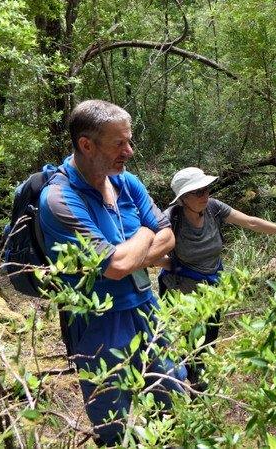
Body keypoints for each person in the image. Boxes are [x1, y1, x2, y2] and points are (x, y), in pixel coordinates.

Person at [39, 100, 186, 445]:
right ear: (86, 145)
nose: (129, 151)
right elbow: (118, 265)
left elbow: (170, 237)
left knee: (173, 394)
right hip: (97, 323)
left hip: (146, 308)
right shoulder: (59, 199)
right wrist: (146, 234)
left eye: (129, 140)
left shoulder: (127, 183)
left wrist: (135, 251)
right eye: (119, 143)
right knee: (113, 423)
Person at [156, 166, 276, 384]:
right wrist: (172, 265)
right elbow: (149, 252)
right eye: (198, 192)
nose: (205, 195)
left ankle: (199, 386)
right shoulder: (170, 219)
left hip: (213, 290)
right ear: (183, 198)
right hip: (181, 295)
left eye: (207, 189)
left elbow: (250, 221)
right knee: (184, 343)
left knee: (207, 342)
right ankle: (183, 388)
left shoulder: (214, 208)